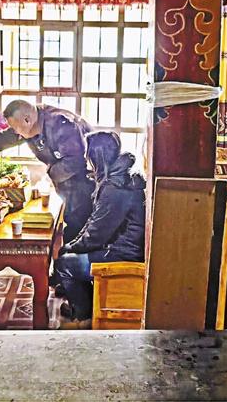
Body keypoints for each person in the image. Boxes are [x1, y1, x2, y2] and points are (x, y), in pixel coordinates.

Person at [54, 132, 146, 328]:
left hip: (123, 254)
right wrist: (73, 244)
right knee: (68, 252)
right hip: (120, 247)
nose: (87, 162)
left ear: (97, 157)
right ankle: (86, 307)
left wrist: (70, 248)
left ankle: (84, 317)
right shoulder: (119, 177)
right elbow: (94, 222)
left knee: (64, 264)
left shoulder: (116, 188)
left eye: (88, 156)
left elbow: (96, 235)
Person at [0, 100, 95, 244]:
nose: (15, 132)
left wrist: (50, 174)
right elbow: (0, 140)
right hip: (67, 181)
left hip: (87, 181)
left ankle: (73, 255)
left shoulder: (62, 124)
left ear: (27, 120)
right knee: (70, 225)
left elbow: (76, 161)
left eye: (15, 127)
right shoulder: (26, 126)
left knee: (79, 228)